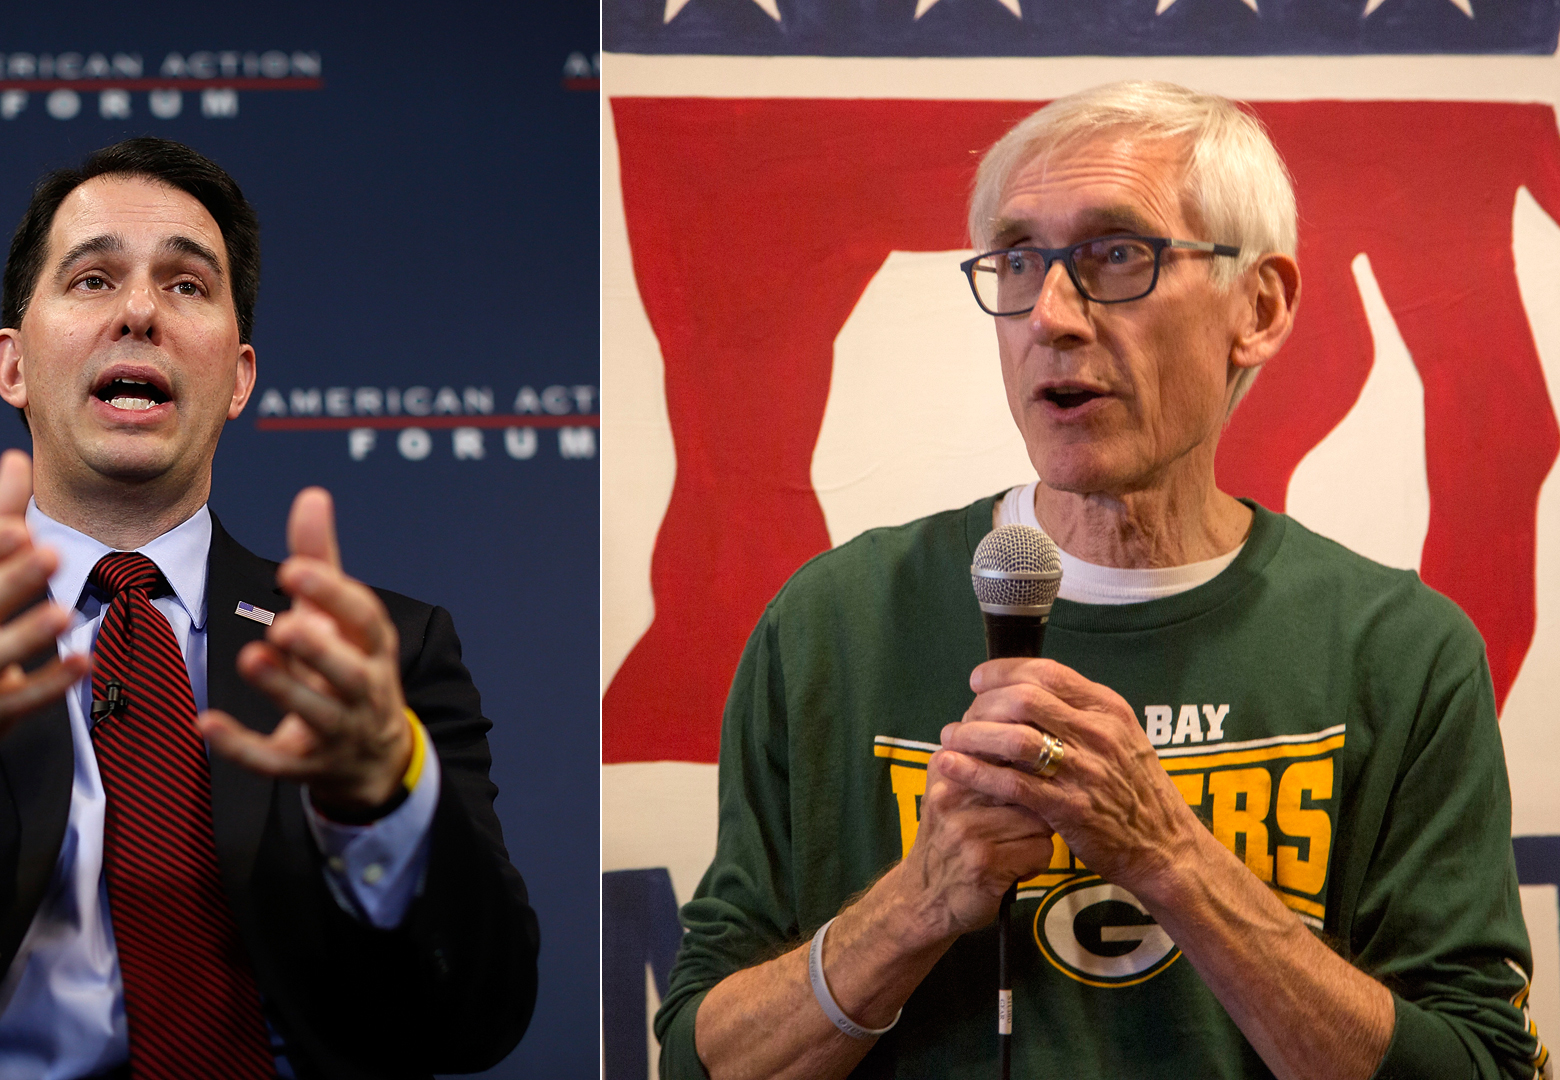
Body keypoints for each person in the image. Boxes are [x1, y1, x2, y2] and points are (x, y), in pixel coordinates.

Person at [656, 82, 1545, 1080]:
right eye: (1020, 259)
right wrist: (920, 903)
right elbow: (701, 1062)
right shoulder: (835, 624)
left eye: (1117, 254)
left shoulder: (1401, 650)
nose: (1051, 315)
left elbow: (1485, 1067)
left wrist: (1169, 857)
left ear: (1259, 307)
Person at [0, 137, 537, 1080]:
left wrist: (385, 799)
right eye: (94, 279)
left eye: (188, 285)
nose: (140, 310)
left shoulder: (369, 654)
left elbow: (485, 1019)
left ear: (238, 376)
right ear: (12, 366)